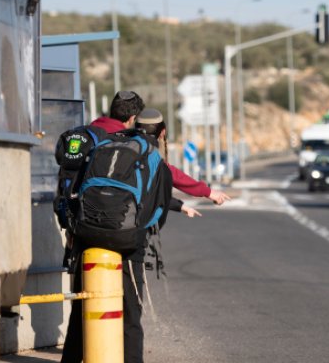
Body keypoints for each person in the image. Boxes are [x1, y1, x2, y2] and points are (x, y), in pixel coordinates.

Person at [61, 91, 225, 362]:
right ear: (134, 118)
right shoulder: (144, 149)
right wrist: (201, 194)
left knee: (82, 306)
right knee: (130, 313)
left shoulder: (92, 137)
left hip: (85, 233)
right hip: (125, 239)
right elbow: (158, 193)